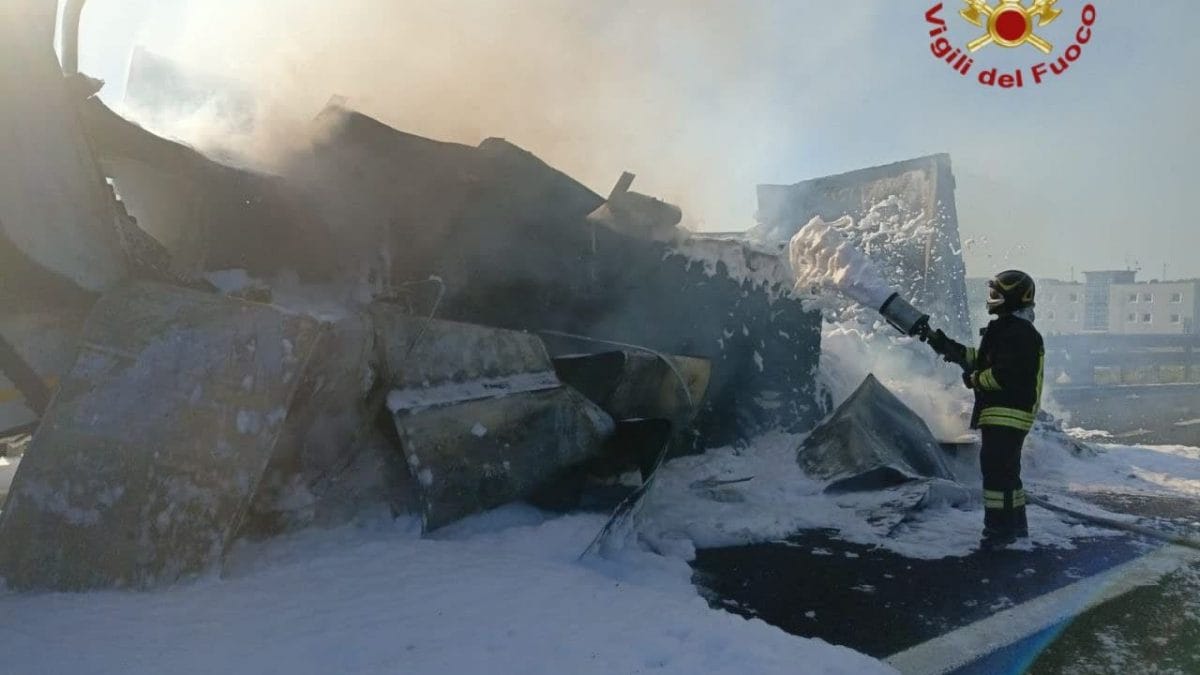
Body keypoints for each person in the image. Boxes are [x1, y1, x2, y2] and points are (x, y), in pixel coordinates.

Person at [925, 270, 1045, 549]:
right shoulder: (1011, 329)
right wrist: (948, 347)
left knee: (996, 476)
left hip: (1007, 413)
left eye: (997, 294)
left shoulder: (1018, 333)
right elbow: (983, 358)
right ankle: (1016, 527)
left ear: (1014, 297)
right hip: (1007, 413)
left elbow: (1005, 374)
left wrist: (974, 379)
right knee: (1006, 474)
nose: (991, 299)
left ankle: (998, 533)